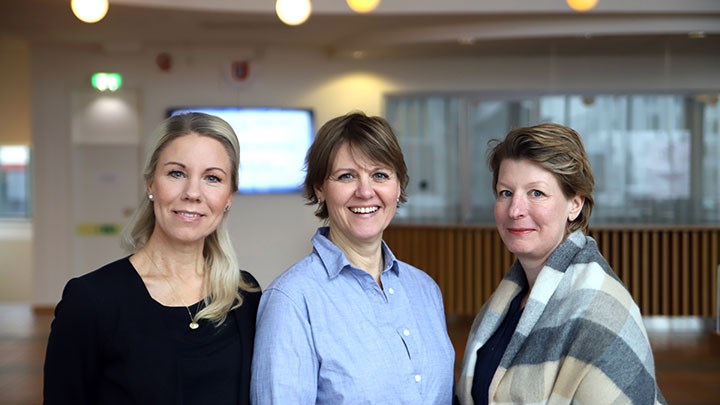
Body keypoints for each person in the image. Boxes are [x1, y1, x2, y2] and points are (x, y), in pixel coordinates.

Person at [43, 112, 261, 404]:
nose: (192, 193)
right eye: (176, 173)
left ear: (229, 196)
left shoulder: (244, 295)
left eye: (212, 178)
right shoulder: (91, 301)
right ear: (150, 183)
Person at [251, 111, 455, 404]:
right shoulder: (292, 300)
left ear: (398, 187)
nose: (365, 191)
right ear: (320, 188)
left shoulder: (425, 290)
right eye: (347, 176)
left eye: (380, 175)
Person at [456, 123, 665, 404]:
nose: (515, 210)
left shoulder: (600, 311)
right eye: (506, 192)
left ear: (574, 205)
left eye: (536, 193)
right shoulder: (509, 299)